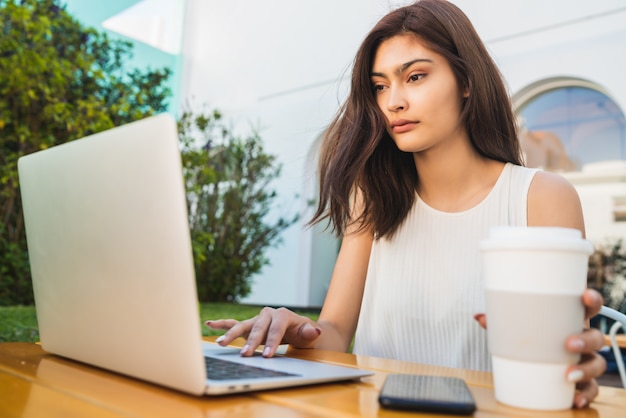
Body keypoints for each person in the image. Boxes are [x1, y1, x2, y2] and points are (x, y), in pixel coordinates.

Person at [206, 0, 606, 409]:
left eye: (415, 76)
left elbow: (563, 359)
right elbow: (335, 333)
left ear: (466, 81)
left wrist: (574, 367)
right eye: (380, 85)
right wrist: (295, 329)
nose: (393, 101)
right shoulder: (373, 196)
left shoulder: (542, 198)